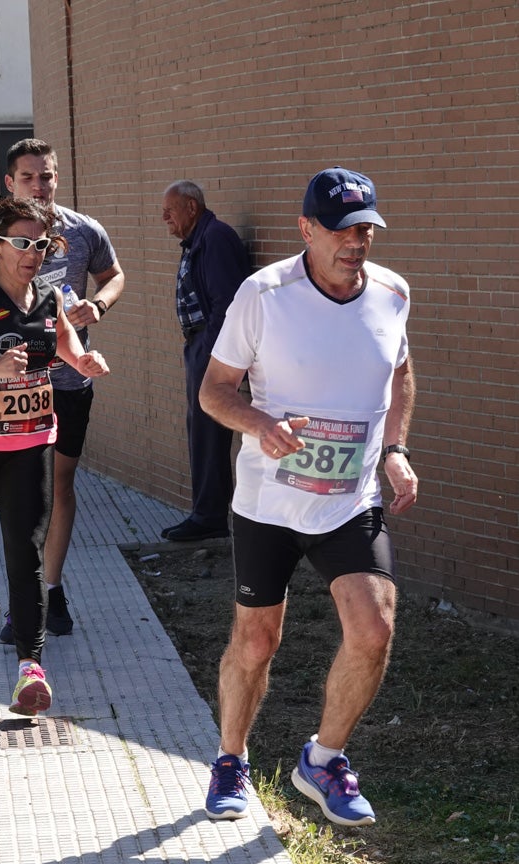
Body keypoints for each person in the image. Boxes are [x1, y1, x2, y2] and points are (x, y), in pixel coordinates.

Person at [198, 166, 418, 827]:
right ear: (306, 230)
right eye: (342, 230)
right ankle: (230, 759)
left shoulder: (390, 294)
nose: (356, 242)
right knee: (256, 641)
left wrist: (395, 450)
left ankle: (322, 760)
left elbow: (400, 373)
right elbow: (213, 390)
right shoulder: (263, 295)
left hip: (347, 501)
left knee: (373, 627)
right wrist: (260, 425)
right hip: (267, 505)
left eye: (365, 229)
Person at [0, 197, 109, 715]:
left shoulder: (50, 298)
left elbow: (69, 351)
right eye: (21, 243)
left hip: (30, 441)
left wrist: (88, 360)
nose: (32, 253)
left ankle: (31, 668)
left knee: (26, 552)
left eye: (41, 244)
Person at [0, 138, 125, 637]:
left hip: (67, 382)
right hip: (3, 389)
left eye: (47, 176)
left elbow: (114, 276)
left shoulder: (83, 230)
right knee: (7, 502)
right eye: (29, 177)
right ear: (10, 183)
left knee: (57, 489)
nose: (40, 185)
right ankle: (11, 598)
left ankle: (49, 592)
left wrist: (98, 306)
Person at [160, 180, 251, 542]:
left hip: (212, 349)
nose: (163, 216)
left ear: (192, 207)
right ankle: (204, 512)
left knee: (208, 431)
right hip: (201, 346)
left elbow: (226, 305)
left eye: (170, 209)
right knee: (200, 429)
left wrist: (214, 359)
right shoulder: (199, 239)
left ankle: (209, 517)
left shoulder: (215, 239)